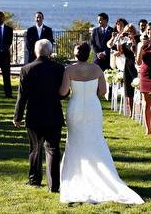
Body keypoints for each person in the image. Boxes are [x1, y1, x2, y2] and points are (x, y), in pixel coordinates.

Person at [57, 42, 143, 205]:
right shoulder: (96, 69)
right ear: (88, 53)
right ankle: (103, 176)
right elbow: (103, 92)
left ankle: (75, 177)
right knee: (95, 139)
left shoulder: (69, 69)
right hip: (92, 107)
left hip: (75, 107)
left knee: (75, 141)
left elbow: (63, 92)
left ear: (76, 55)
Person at [13, 39, 66, 192]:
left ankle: (34, 179)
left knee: (35, 148)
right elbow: (63, 93)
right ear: (50, 52)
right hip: (53, 113)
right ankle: (54, 184)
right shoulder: (59, 68)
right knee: (53, 149)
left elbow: (22, 97)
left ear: (35, 51)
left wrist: (18, 117)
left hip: (34, 115)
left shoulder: (26, 69)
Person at [136, 22, 151, 135]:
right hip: (145, 74)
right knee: (146, 103)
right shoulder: (142, 44)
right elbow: (138, 61)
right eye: (148, 30)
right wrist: (141, 47)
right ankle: (148, 128)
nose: (150, 32)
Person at [113, 22, 138, 116]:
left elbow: (135, 51)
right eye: (127, 32)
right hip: (127, 65)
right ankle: (130, 111)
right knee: (128, 90)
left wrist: (133, 41)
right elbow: (120, 51)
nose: (129, 33)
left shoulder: (137, 40)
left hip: (134, 65)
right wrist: (119, 39)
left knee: (136, 87)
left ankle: (137, 109)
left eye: (131, 31)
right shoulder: (124, 41)